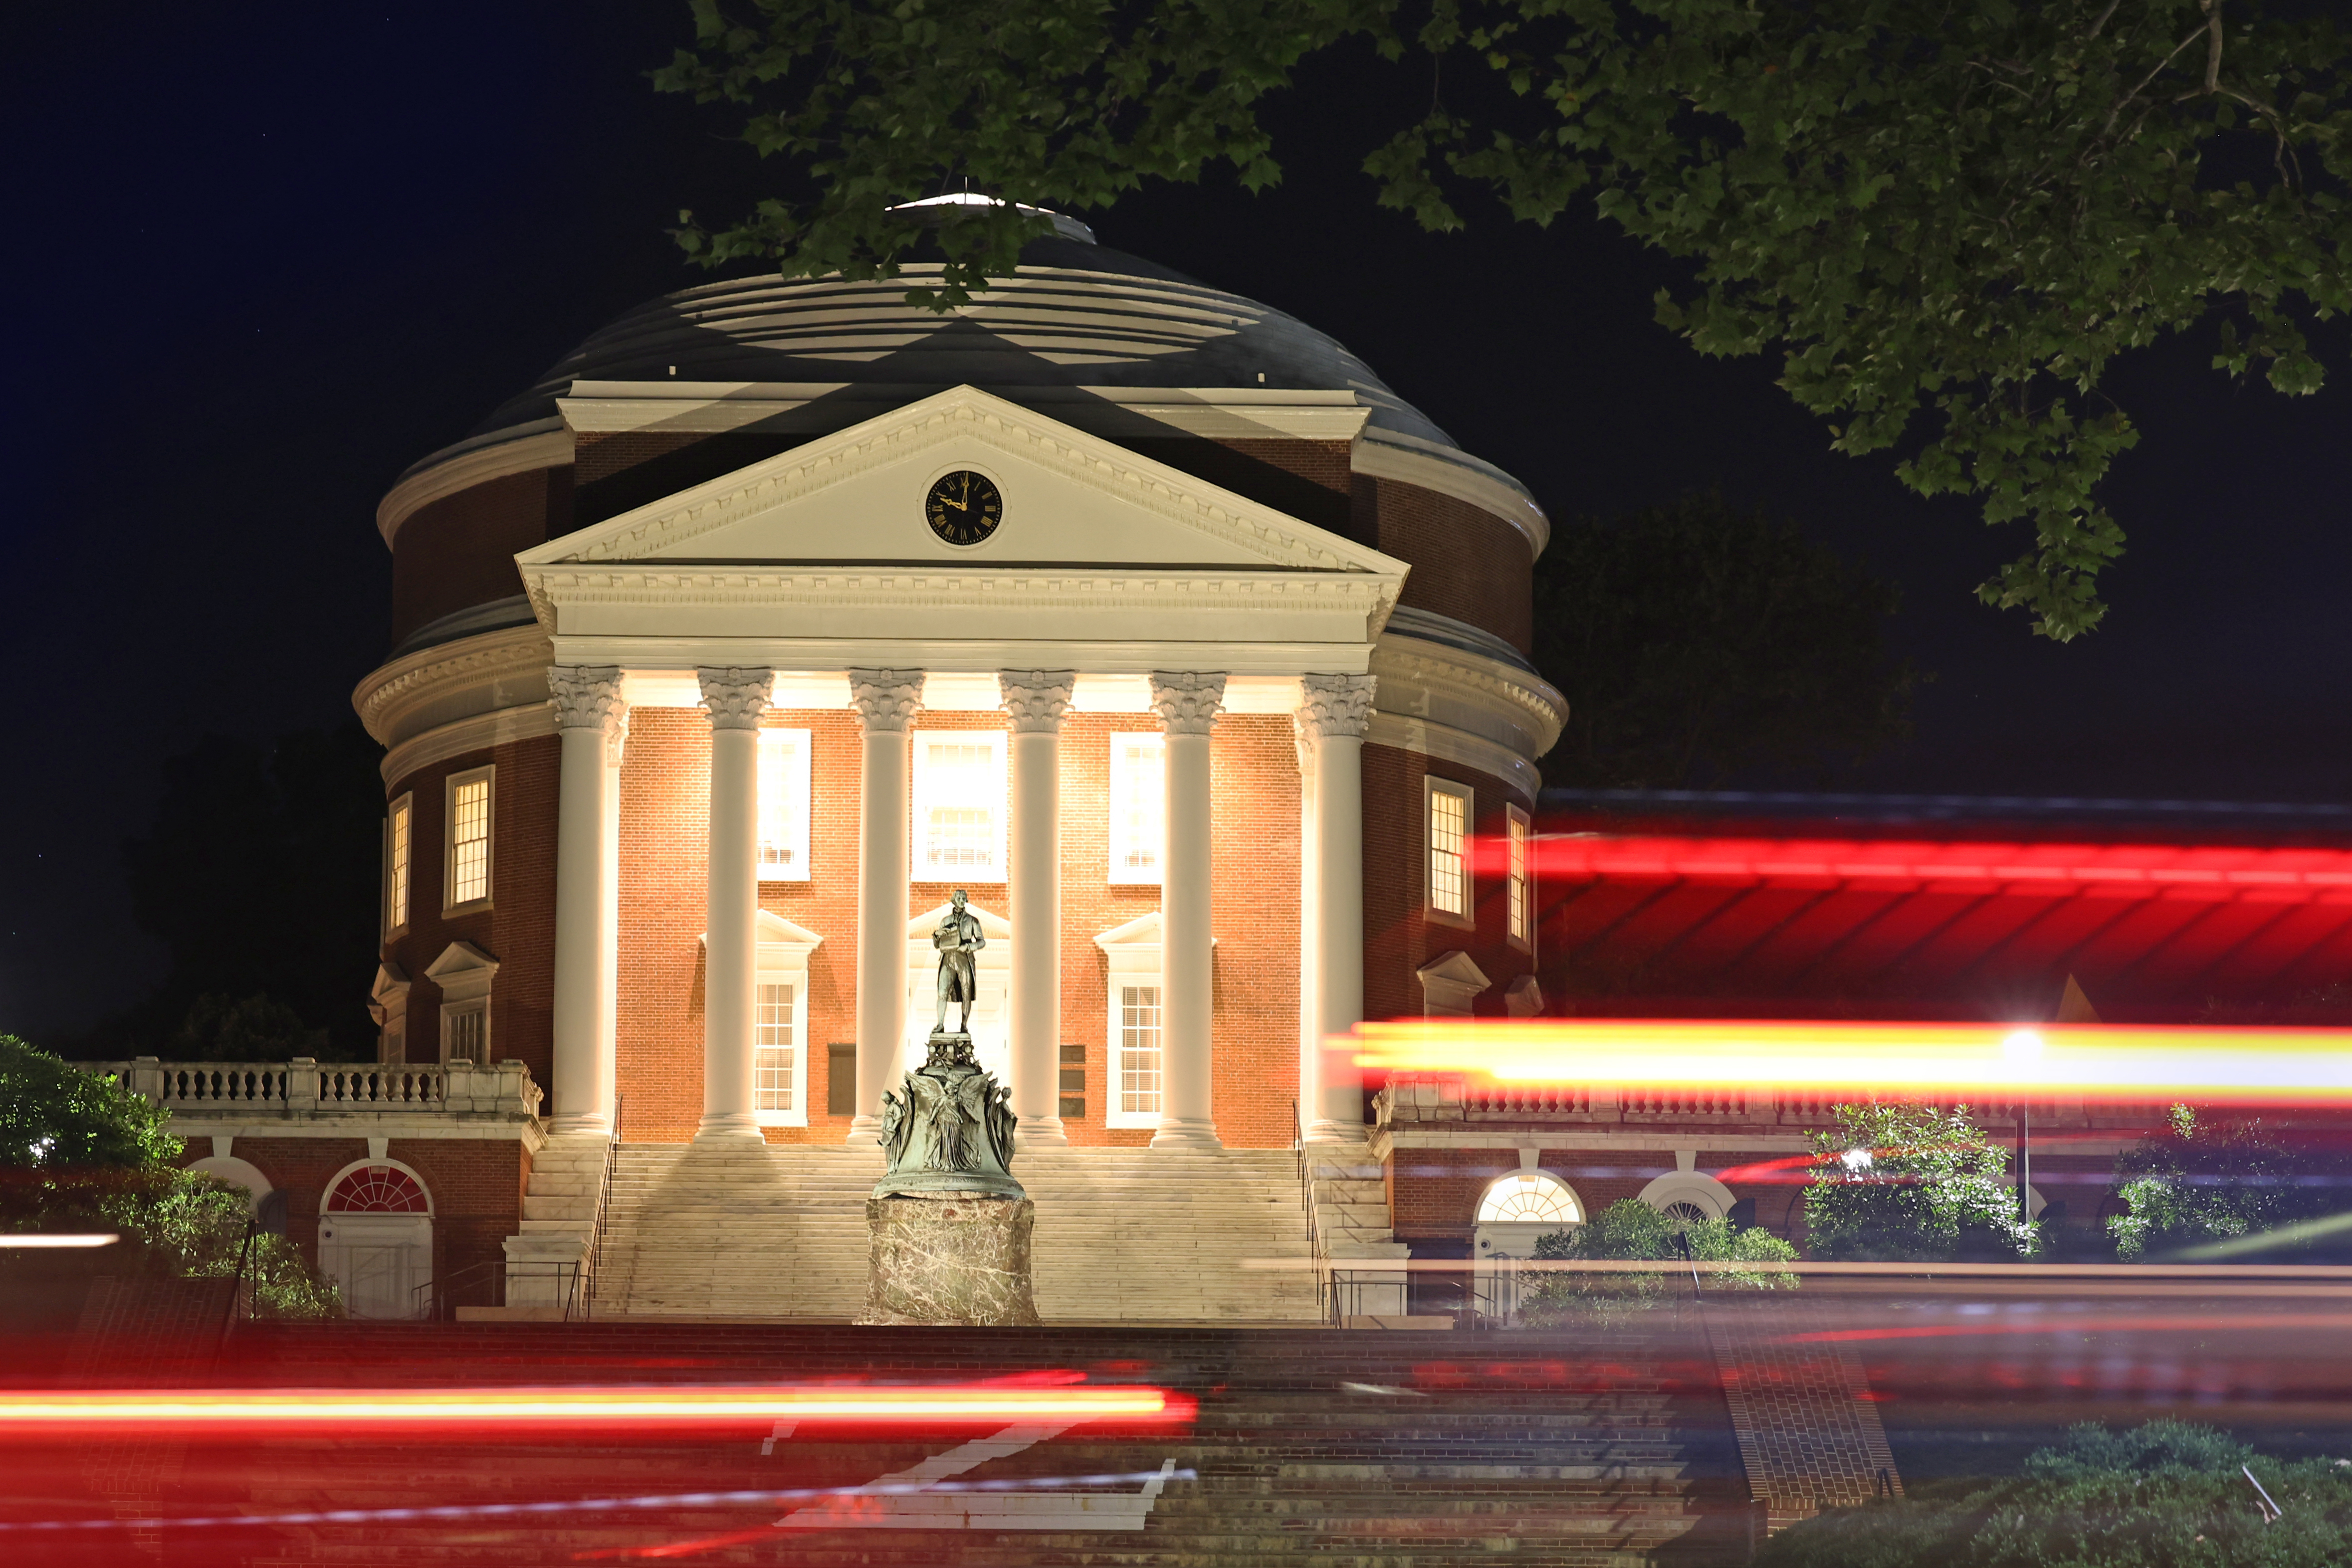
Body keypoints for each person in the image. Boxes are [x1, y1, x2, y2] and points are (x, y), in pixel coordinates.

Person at [932, 888, 984, 1035]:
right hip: (948, 958)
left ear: (966, 900)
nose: (961, 900)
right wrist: (936, 935)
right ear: (954, 900)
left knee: (966, 993)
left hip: (964, 959)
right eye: (959, 898)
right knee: (942, 992)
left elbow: (981, 942)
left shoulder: (973, 921)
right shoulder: (946, 921)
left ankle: (964, 1026)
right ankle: (940, 1024)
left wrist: (968, 947)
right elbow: (938, 946)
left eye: (964, 898)